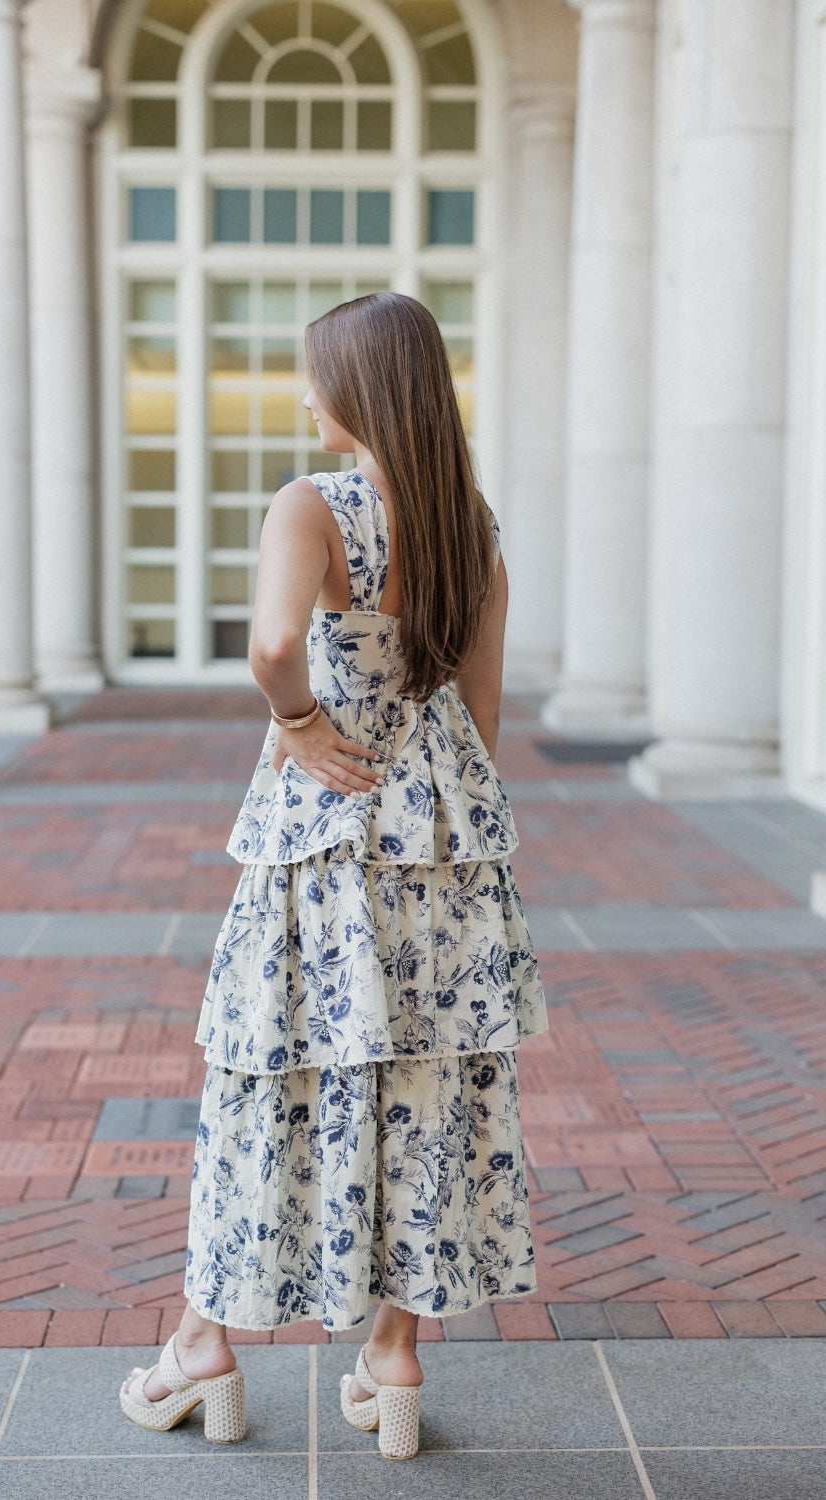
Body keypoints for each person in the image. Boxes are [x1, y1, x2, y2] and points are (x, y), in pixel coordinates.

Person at [120, 291, 548, 1460]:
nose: (304, 395)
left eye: (313, 375)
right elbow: (485, 711)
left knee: (272, 1077)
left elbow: (267, 646)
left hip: (327, 833)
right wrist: (440, 810)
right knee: (425, 1089)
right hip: (447, 839)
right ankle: (394, 1357)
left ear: (356, 389)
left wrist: (300, 720)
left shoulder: (313, 505)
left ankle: (204, 1351)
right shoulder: (472, 527)